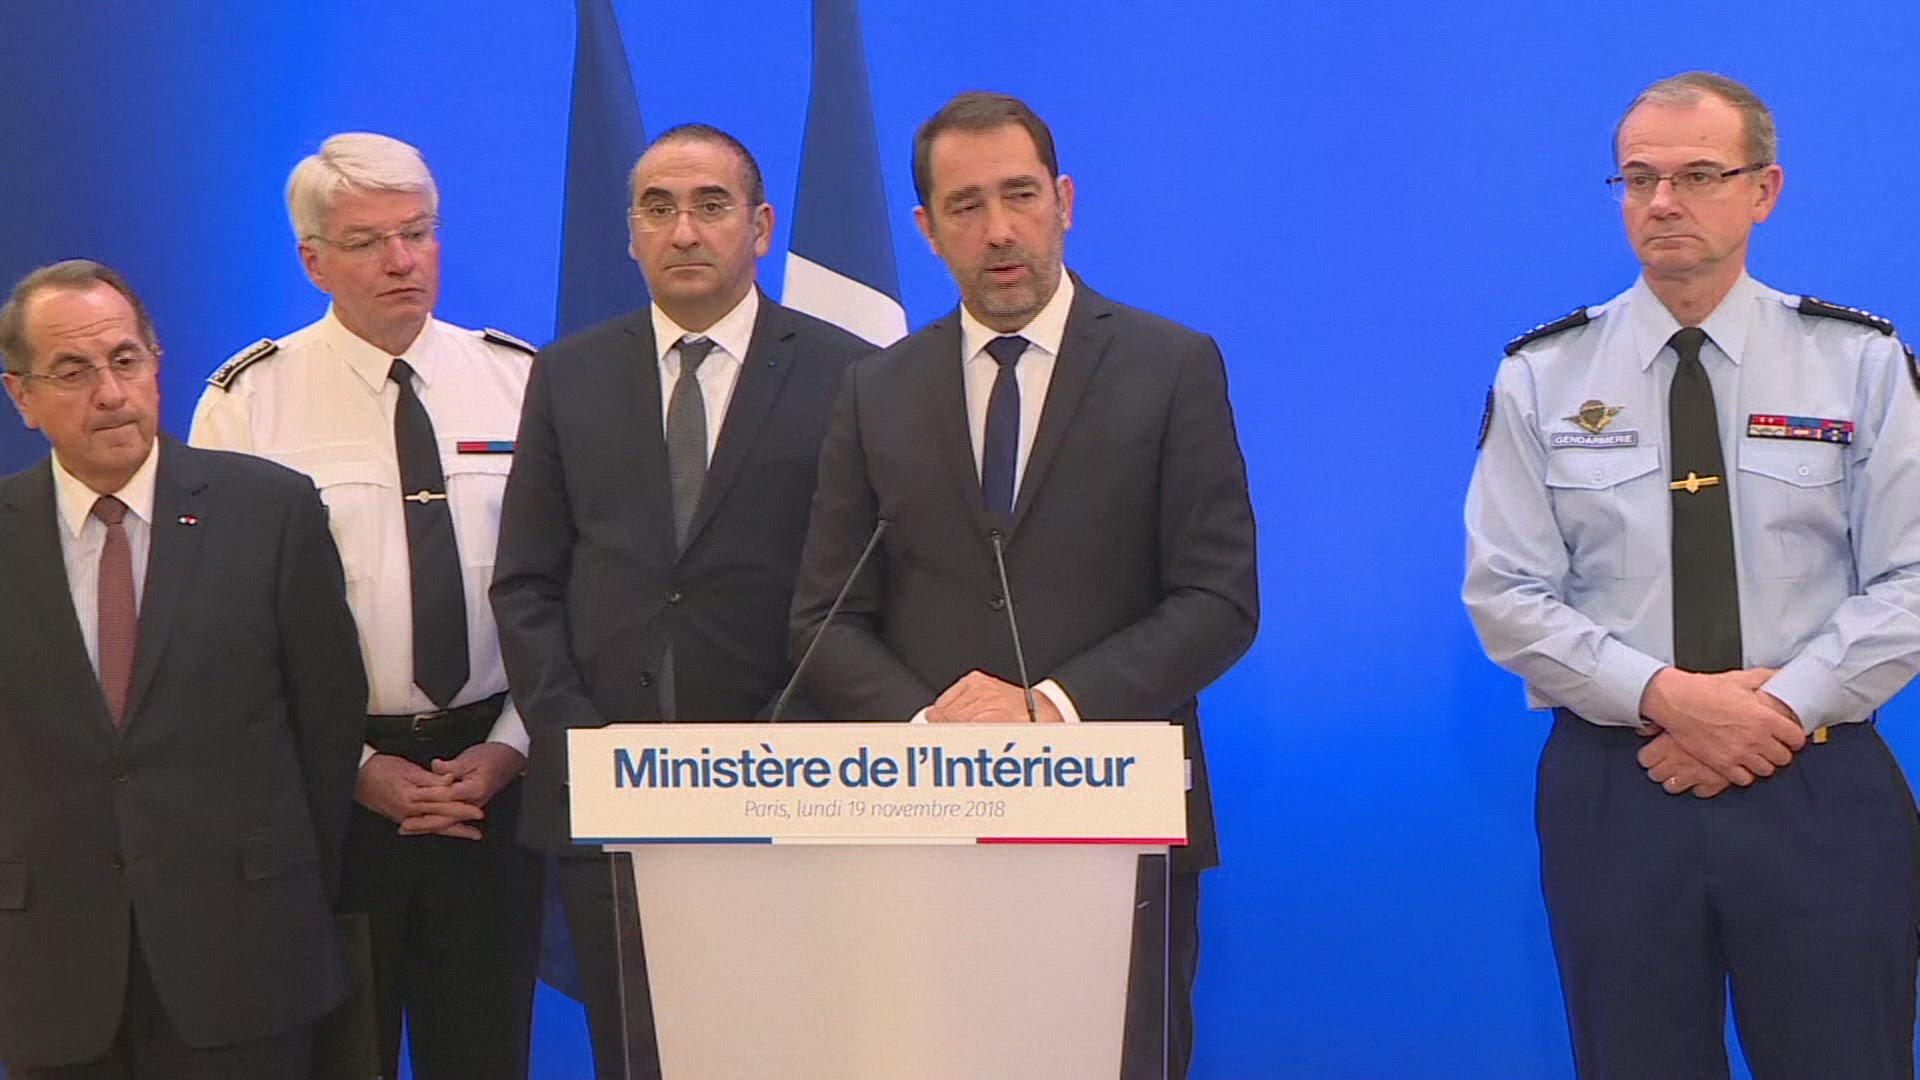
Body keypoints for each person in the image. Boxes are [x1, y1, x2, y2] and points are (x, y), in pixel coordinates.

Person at [789, 91, 1259, 1078]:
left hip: (1120, 830)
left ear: (1065, 201)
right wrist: (934, 735)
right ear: (926, 229)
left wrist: (1048, 708)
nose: (999, 230)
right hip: (920, 832)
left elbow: (1218, 600)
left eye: (1020, 195)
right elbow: (826, 617)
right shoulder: (876, 390)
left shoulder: (1171, 366)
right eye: (965, 206)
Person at [1465, 72, 1920, 1079]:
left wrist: (1777, 711)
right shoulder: (1543, 374)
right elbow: (1507, 594)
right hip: (1621, 783)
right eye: (1639, 179)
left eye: (1698, 175)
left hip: (1817, 779)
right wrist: (1670, 698)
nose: (1663, 202)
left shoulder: (1859, 362)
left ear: (1765, 190)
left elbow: (1913, 578)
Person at [491, 123, 874, 1079]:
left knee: (786, 1052)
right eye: (657, 209)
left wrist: (781, 743)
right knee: (637, 1053)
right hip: (609, 791)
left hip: (790, 785)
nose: (684, 231)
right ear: (630, 234)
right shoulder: (567, 373)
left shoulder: (852, 373)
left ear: (761, 226)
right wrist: (580, 741)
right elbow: (528, 582)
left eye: (710, 206)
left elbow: (867, 583)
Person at [189, 133, 543, 1080]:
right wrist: (354, 768)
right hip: (333, 793)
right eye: (367, 241)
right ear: (313, 261)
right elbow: (222, 626)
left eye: (418, 233)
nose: (400, 260)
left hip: (492, 783)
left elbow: (567, 587)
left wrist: (512, 747)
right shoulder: (249, 401)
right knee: (343, 1056)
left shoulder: (521, 380)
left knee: (487, 1055)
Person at [0, 259, 365, 1078]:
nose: (109, 393)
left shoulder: (271, 511)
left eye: (125, 360)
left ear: (156, 363)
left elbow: (327, 723)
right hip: (50, 967)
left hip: (245, 955)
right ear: (21, 397)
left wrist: (271, 874)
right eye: (73, 371)